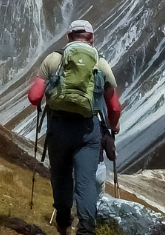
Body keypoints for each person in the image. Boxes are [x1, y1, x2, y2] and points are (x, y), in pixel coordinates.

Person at [27, 20, 123, 235]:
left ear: (69, 37)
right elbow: (114, 105)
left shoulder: (54, 60)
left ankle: (63, 226)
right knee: (86, 182)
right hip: (88, 132)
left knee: (61, 177)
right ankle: (86, 231)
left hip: (58, 129)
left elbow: (34, 97)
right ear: (91, 38)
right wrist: (113, 125)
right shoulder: (100, 63)